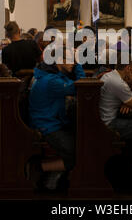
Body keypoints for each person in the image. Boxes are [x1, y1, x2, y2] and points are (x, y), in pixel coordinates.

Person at [25, 46, 86, 188]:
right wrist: (78, 65)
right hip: (47, 125)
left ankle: (53, 177)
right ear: (59, 60)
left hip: (52, 121)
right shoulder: (51, 80)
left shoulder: (52, 75)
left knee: (83, 143)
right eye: (71, 59)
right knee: (79, 152)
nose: (73, 62)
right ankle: (38, 168)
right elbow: (82, 88)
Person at [99, 51, 132, 174]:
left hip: (105, 118)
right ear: (128, 68)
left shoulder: (112, 75)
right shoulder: (118, 83)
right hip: (110, 124)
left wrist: (126, 101)